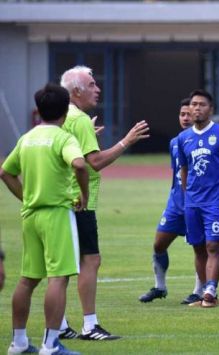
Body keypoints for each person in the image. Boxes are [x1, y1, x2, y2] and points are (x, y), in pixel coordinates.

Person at [59, 65, 149, 341]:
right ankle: (90, 325)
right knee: (90, 260)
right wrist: (126, 141)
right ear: (76, 91)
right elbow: (94, 163)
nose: (98, 89)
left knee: (62, 265)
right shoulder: (80, 119)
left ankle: (60, 324)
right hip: (79, 202)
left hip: (61, 200)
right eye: (92, 85)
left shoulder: (64, 117)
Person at [3, 83, 88, 355]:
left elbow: (5, 172)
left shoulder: (27, 138)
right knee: (59, 278)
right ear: (66, 110)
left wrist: (27, 196)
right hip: (56, 215)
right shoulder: (64, 138)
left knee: (27, 279)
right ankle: (50, 345)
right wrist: (83, 194)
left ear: (38, 110)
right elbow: (78, 164)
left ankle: (18, 342)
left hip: (31, 215)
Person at [178, 89, 219, 308]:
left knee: (213, 245)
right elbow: (184, 170)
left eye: (202, 104)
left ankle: (211, 289)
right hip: (193, 202)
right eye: (194, 104)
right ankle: (204, 289)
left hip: (216, 201)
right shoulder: (183, 138)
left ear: (210, 109)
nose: (197, 108)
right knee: (198, 247)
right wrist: (187, 196)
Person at [139, 98, 199, 304]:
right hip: (175, 204)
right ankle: (160, 287)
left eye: (189, 114)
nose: (185, 118)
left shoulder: (208, 139)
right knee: (159, 244)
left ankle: (199, 291)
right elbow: (177, 175)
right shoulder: (175, 142)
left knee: (199, 248)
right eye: (182, 114)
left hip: (198, 203)